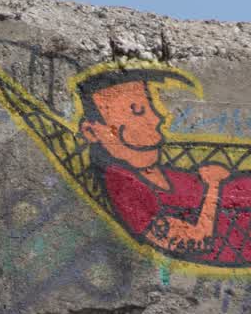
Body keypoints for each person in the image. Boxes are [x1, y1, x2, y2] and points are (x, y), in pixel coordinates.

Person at [76, 66, 251, 265]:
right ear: (92, 132)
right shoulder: (125, 189)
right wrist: (213, 184)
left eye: (150, 107)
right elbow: (197, 242)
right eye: (137, 111)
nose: (157, 118)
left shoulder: (153, 172)